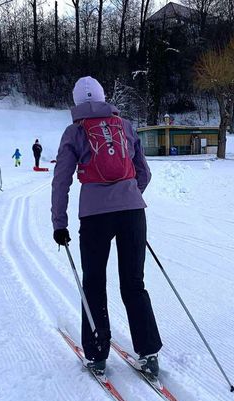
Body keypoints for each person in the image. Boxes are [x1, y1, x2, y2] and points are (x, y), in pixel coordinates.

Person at [51, 76, 160, 377]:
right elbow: (144, 172)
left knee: (94, 284)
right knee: (134, 283)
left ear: (76, 101)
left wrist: (59, 223)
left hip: (94, 216)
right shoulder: (124, 126)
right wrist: (130, 197)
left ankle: (98, 356)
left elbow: (61, 180)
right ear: (102, 96)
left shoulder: (74, 132)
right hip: (132, 213)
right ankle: (148, 353)